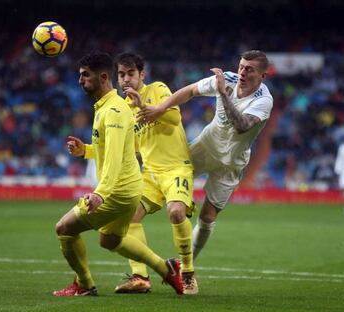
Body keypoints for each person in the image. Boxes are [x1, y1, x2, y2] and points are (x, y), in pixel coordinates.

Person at [53, 52, 183, 296]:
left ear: (103, 77)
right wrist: (85, 151)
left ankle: (84, 284)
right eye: (79, 76)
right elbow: (118, 150)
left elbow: (113, 159)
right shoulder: (110, 107)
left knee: (64, 229)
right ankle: (167, 269)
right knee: (109, 240)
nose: (80, 80)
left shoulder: (112, 111)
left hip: (117, 192)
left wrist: (101, 193)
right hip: (129, 189)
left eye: (85, 76)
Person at [138, 50, 273, 260]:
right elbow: (191, 90)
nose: (243, 73)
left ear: (263, 76)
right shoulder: (227, 78)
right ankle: (141, 215)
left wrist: (223, 94)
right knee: (170, 178)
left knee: (208, 217)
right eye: (241, 67)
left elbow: (241, 126)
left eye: (250, 69)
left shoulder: (264, 100)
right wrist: (160, 108)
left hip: (232, 162)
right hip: (205, 147)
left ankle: (186, 264)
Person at [113, 52, 197, 295]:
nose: (126, 79)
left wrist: (144, 105)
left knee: (176, 211)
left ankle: (188, 272)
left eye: (131, 73)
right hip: (150, 173)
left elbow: (174, 117)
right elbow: (134, 149)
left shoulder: (157, 88)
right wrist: (86, 150)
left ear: (142, 74)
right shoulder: (122, 110)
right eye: (121, 74)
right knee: (128, 217)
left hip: (175, 168)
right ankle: (140, 277)